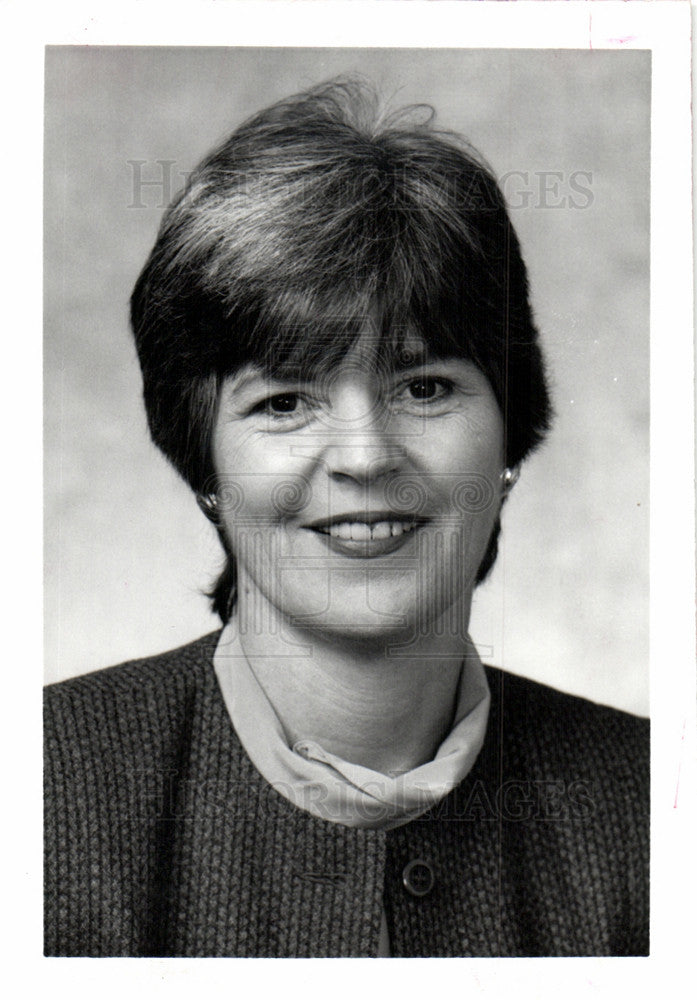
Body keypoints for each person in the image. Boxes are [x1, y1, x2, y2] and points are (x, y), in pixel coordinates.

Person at [44, 79, 649, 957]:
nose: (364, 456)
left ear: (511, 436)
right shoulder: (34, 792)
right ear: (201, 459)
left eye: (424, 386)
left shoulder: (657, 811)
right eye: (286, 402)